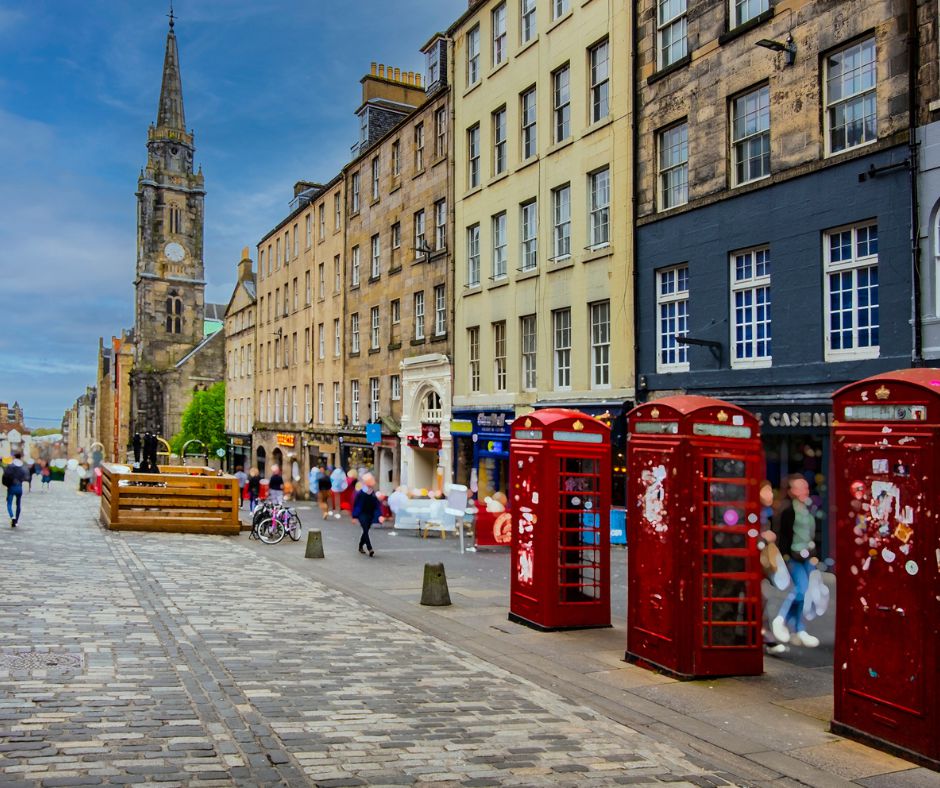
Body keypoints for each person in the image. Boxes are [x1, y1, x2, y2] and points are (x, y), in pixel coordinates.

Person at [771, 474, 820, 648]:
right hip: (793, 556)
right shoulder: (787, 510)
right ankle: (781, 618)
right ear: (791, 491)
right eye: (800, 488)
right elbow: (782, 535)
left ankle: (797, 628)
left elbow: (812, 533)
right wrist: (784, 556)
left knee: (805, 594)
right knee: (801, 590)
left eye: (806, 487)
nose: (805, 491)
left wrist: (815, 554)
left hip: (807, 556)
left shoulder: (808, 508)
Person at [352, 471, 381, 556]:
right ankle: (369, 548)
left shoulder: (372, 493)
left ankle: (360, 545)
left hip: (370, 514)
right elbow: (356, 505)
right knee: (365, 529)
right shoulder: (361, 493)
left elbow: (376, 505)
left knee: (366, 531)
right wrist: (354, 516)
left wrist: (379, 515)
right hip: (362, 514)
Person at [3, 451, 28, 527]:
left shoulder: (10, 466)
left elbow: (5, 476)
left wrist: (6, 484)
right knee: (18, 504)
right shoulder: (23, 467)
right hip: (19, 487)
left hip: (11, 487)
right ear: (21, 457)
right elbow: (26, 476)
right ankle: (16, 521)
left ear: (14, 457)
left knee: (9, 503)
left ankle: (12, 517)